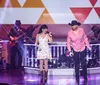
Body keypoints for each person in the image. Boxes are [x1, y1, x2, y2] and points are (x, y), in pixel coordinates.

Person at [67, 20, 91, 85]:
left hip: (82, 48)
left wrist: (88, 46)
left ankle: (85, 77)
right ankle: (77, 78)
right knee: (76, 64)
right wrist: (70, 51)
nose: (73, 26)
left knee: (83, 64)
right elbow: (68, 43)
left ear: (77, 25)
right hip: (75, 49)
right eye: (72, 25)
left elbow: (85, 38)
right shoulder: (70, 33)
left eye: (74, 25)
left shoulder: (81, 30)